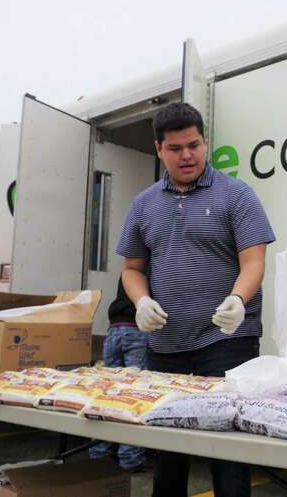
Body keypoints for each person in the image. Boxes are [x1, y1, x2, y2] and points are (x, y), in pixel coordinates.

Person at [117, 102, 275, 497]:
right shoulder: (143, 205)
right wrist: (140, 301)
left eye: (194, 145)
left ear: (205, 143)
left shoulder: (236, 194)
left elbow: (254, 260)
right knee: (170, 450)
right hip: (166, 347)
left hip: (225, 342)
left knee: (228, 449)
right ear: (159, 149)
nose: (187, 155)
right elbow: (132, 268)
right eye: (175, 148)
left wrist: (238, 299)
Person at [87, 278, 151, 472]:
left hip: (114, 329)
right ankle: (130, 458)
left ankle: (99, 454)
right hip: (137, 330)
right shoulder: (156, 262)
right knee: (135, 395)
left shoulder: (131, 267)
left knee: (108, 395)